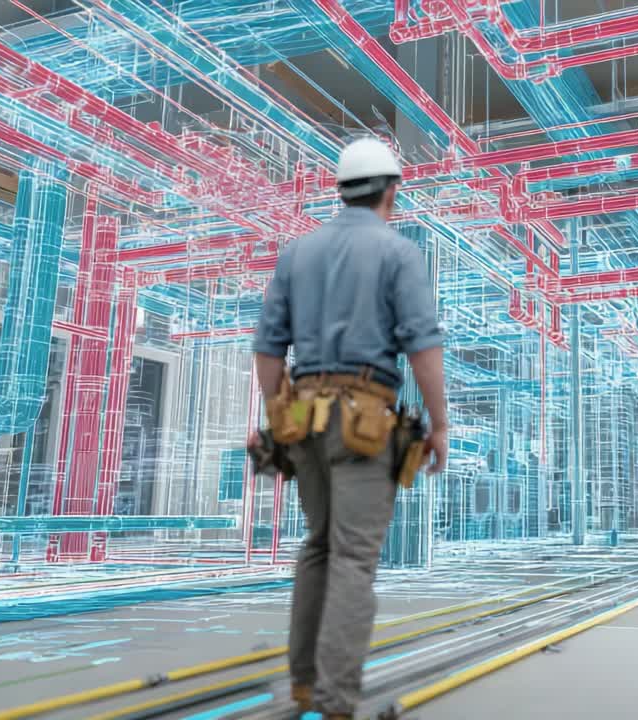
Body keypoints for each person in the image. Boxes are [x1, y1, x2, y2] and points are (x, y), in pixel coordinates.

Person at [250, 137, 448, 720]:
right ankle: (336, 702)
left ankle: (305, 684)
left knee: (317, 545)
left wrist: (276, 416)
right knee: (354, 557)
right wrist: (440, 424)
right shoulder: (398, 252)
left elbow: (268, 348)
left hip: (303, 419)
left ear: (340, 191)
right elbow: (422, 347)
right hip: (362, 421)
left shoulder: (297, 253)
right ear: (392, 191)